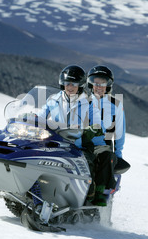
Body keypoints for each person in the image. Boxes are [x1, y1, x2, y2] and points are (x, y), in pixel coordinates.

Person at [38, 65, 113, 206]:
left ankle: (88, 195)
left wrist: (92, 128)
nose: (70, 87)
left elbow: (97, 121)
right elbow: (40, 115)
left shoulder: (89, 102)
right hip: (54, 141)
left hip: (78, 144)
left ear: (81, 85)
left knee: (87, 164)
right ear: (63, 84)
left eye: (74, 84)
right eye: (68, 83)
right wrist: (30, 118)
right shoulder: (53, 100)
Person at [87, 65, 126, 190]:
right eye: (96, 83)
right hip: (85, 144)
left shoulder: (115, 104)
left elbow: (119, 132)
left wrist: (118, 156)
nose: (99, 87)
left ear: (108, 86)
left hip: (105, 146)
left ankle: (99, 198)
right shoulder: (83, 102)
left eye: (102, 84)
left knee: (104, 158)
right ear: (91, 84)